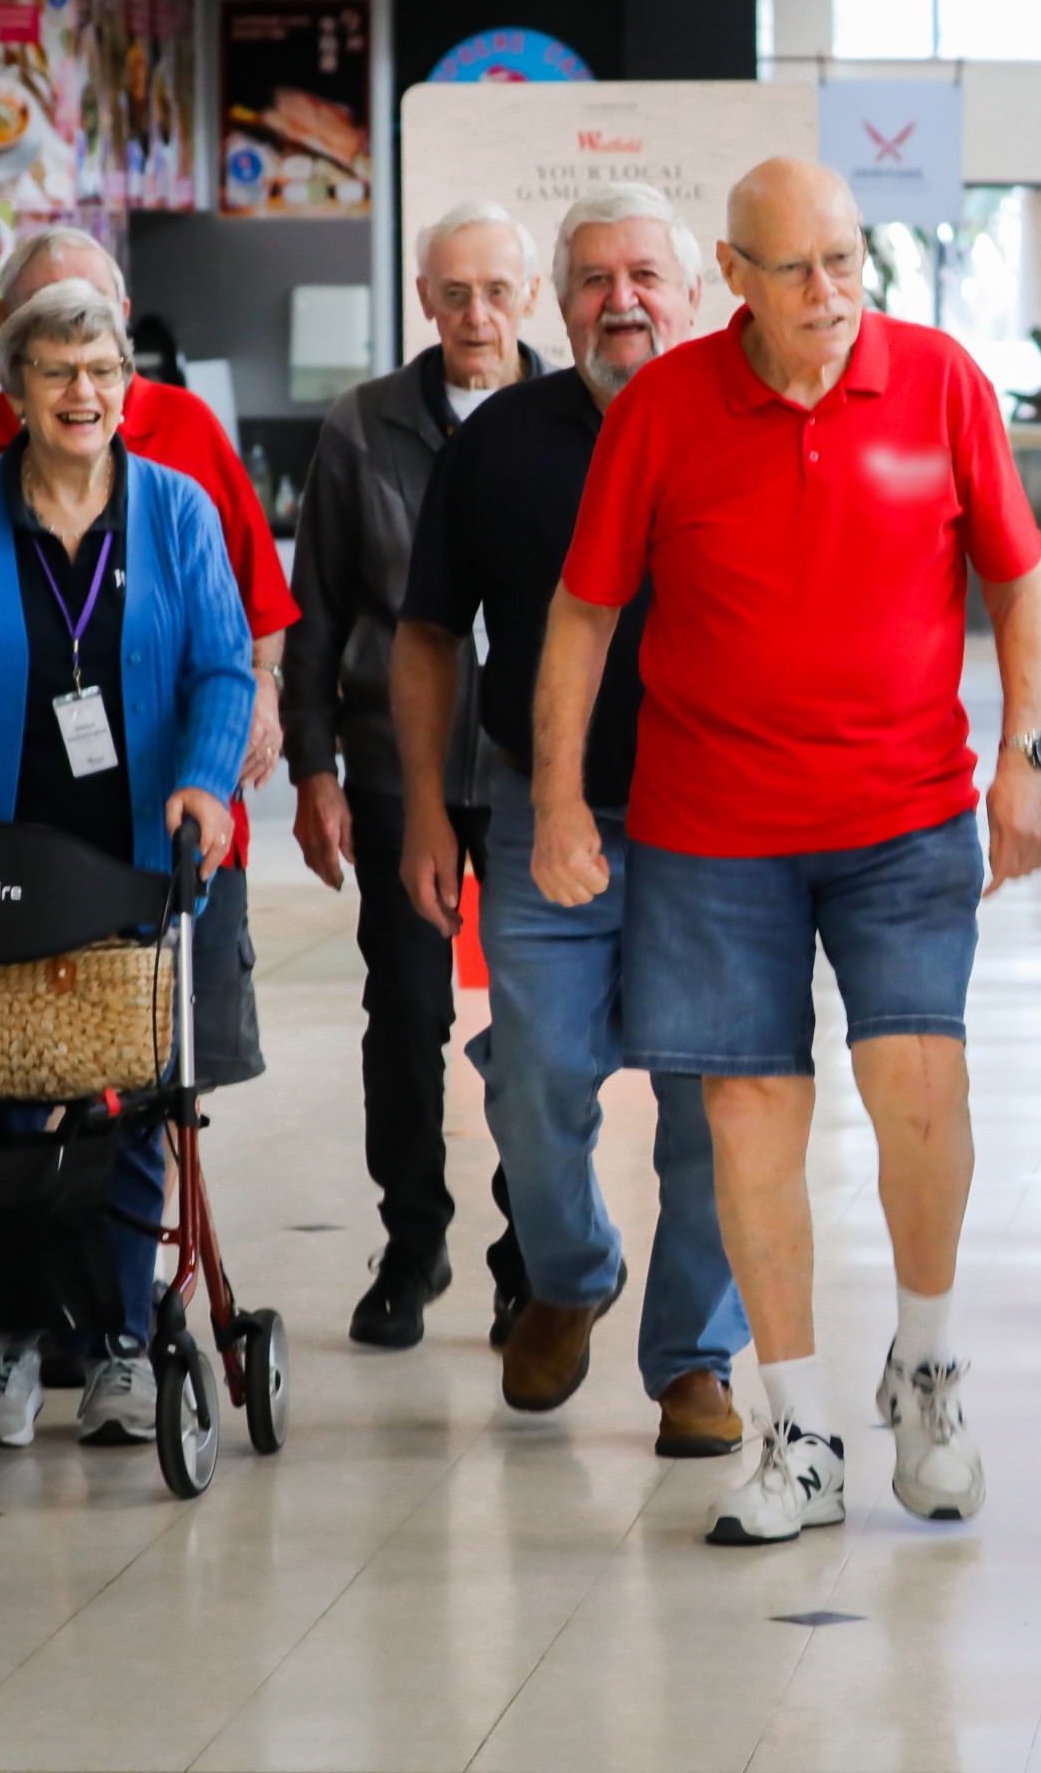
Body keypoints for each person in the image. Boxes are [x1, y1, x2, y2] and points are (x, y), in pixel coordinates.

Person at [534, 158, 1041, 1547]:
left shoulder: (940, 381)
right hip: (712, 837)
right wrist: (557, 799)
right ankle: (800, 1430)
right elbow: (584, 615)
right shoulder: (661, 409)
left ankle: (929, 1371)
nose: (829, 293)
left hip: (903, 818)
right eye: (797, 269)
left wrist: (1024, 755)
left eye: (846, 260)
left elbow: (1019, 581)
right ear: (733, 274)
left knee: (921, 1093)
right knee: (749, 1124)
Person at [0, 280, 252, 1449]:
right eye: (59, 370)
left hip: (128, 855)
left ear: (132, 384)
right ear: (15, 389)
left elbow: (225, 669)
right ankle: (12, 1340)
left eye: (104, 369)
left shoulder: (175, 513)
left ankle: (119, 1341)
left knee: (121, 1099)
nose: (84, 392)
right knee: (3, 1095)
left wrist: (205, 781)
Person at [389, 184, 751, 1455]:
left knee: (717, 1099)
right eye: (594, 280)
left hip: (723, 825)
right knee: (538, 1072)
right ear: (562, 300)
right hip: (542, 817)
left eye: (644, 275)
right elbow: (430, 633)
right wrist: (426, 807)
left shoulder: (746, 424)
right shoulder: (500, 442)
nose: (622, 301)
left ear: (694, 290)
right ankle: (571, 1268)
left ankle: (694, 1358)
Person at [0, 225, 292, 1112]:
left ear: (123, 337)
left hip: (162, 829)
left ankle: (137, 1256)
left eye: (98, 346)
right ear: (12, 349)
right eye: (50, 342)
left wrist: (248, 714)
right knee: (7, 1085)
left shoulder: (184, 451)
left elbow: (246, 632)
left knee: (151, 1085)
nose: (81, 376)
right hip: (11, 831)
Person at [284, 200, 551, 1350]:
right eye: (453, 293)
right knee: (407, 1016)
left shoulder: (568, 416)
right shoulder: (361, 426)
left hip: (541, 771)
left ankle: (524, 1250)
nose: (475, 314)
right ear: (423, 300)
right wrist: (313, 766)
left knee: (543, 1024)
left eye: (496, 291)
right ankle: (413, 1239)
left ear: (529, 297)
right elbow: (318, 612)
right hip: (400, 767)